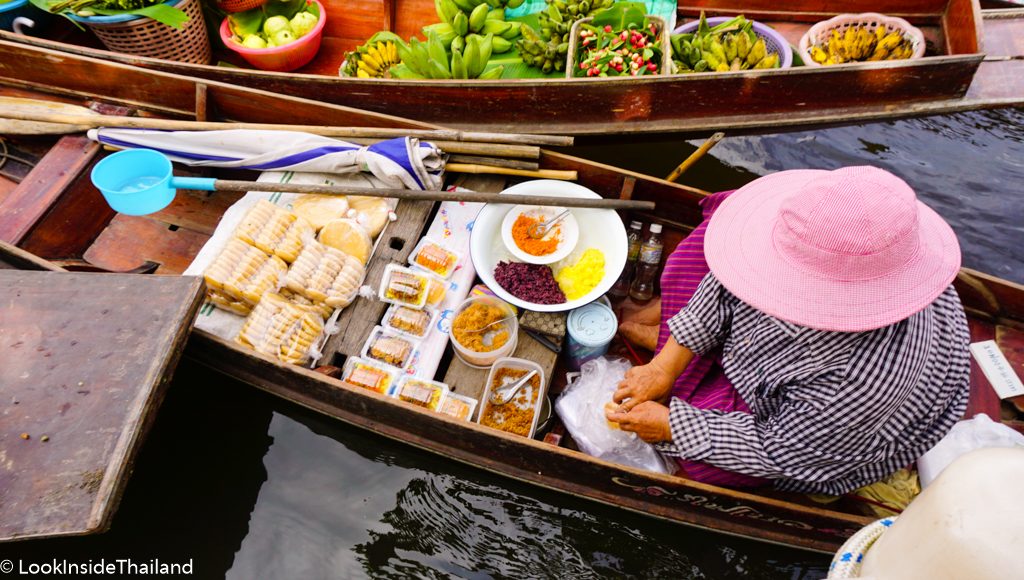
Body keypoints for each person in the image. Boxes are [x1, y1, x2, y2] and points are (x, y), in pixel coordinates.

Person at [607, 166, 970, 494]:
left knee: (702, 463)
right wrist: (663, 367)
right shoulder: (830, 233)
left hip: (825, 436)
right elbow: (727, 280)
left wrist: (672, 425)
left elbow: (779, 449)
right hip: (782, 359)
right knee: (722, 229)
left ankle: (683, 343)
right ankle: (675, 335)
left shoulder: (855, 384)